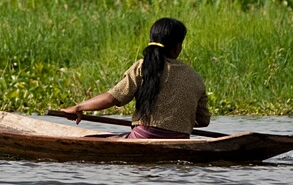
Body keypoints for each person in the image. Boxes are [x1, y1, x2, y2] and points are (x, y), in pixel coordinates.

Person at [60, 17, 210, 139]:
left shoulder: (143, 66)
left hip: (143, 137)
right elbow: (203, 121)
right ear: (178, 47)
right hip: (180, 141)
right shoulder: (194, 77)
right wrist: (177, 122)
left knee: (90, 139)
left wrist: (78, 107)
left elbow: (113, 98)